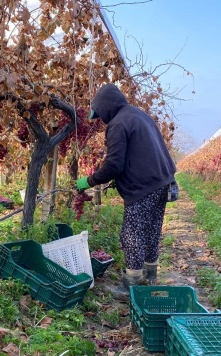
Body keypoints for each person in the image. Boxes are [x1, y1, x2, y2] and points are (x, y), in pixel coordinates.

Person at [76, 83, 178, 290]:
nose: (102, 120)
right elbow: (137, 154)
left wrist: (89, 181)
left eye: (101, 114)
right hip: (163, 182)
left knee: (132, 235)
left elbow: (114, 165)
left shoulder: (119, 124)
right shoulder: (138, 115)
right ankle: (150, 278)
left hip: (144, 186)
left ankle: (132, 284)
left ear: (106, 107)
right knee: (151, 230)